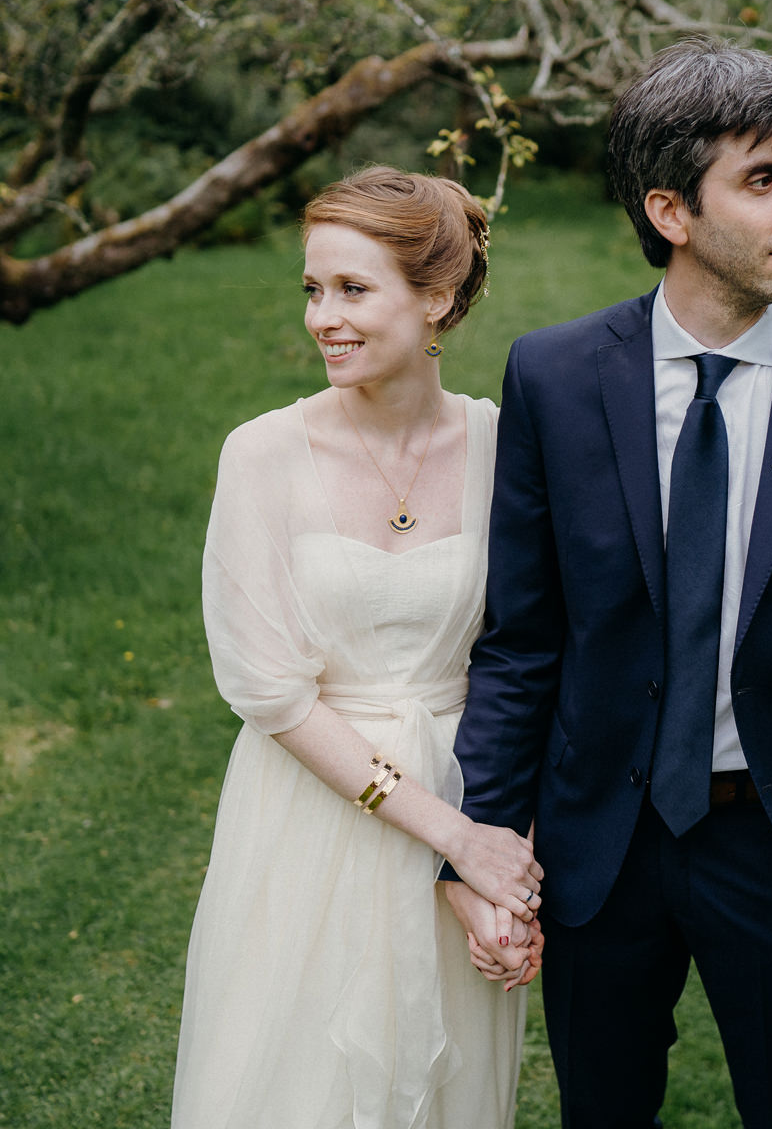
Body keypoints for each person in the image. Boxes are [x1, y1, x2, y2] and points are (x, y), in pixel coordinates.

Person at [443, 37, 772, 1127]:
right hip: (598, 848)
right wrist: (483, 840)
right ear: (671, 211)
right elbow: (522, 635)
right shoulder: (555, 377)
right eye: (765, 179)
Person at [172, 167, 543, 1129]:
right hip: (310, 824)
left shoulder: (508, 447)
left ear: (437, 300)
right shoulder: (258, 455)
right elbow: (274, 694)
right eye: (312, 289)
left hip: (472, 803)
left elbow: (538, 654)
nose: (322, 318)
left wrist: (492, 864)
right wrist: (449, 837)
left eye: (352, 289)